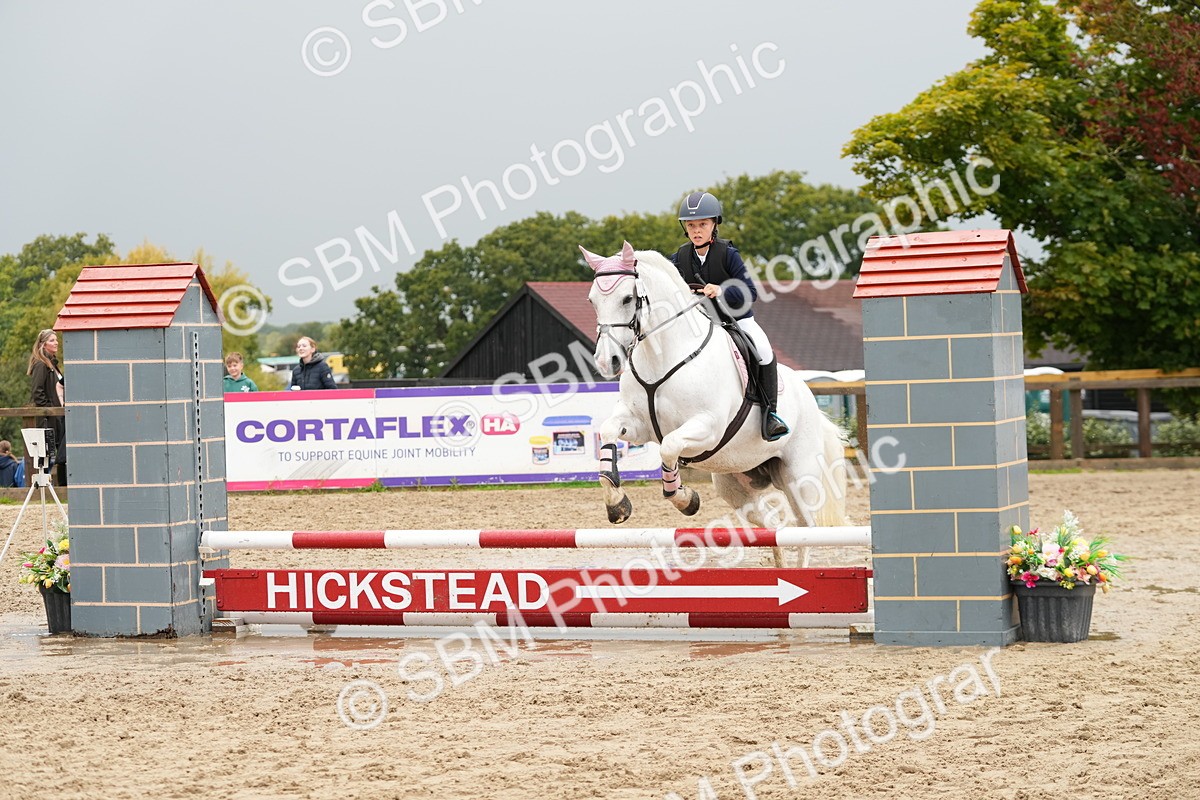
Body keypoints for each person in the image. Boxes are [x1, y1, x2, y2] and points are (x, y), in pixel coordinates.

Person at [671, 191, 789, 441]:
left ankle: (770, 415)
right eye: (691, 225)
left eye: (702, 224)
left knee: (764, 350)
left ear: (714, 225)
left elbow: (751, 291)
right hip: (702, 324)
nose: (696, 230)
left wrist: (721, 289)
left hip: (736, 319)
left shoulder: (727, 253)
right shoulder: (680, 257)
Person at [28, 329, 67, 484]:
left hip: (59, 416)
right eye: (51, 340)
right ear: (43, 344)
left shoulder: (53, 364)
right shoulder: (41, 364)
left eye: (56, 339)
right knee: (47, 457)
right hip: (49, 417)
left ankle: (64, 490)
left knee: (62, 454)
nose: (56, 342)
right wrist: (50, 410)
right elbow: (37, 392)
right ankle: (42, 490)